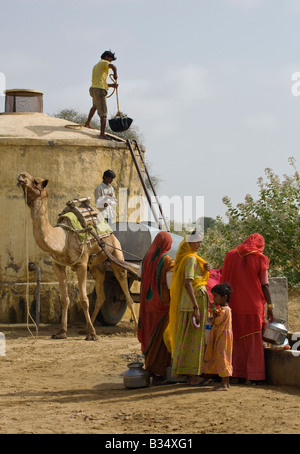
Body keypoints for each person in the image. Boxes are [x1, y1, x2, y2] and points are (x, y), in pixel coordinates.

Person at [220, 233, 274, 383]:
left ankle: (234, 373)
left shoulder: (230, 255)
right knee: (253, 339)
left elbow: (223, 280)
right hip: (253, 305)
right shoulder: (260, 259)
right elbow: (265, 285)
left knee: (233, 338)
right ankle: (252, 376)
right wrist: (270, 306)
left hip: (233, 305)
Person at [164, 231, 210, 386]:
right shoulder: (190, 259)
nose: (199, 245)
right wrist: (196, 306)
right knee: (194, 340)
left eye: (200, 242)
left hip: (189, 304)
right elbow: (188, 283)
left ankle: (187, 373)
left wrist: (206, 270)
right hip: (192, 304)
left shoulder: (190, 259)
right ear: (189, 243)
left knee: (188, 339)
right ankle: (193, 376)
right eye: (196, 242)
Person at [137, 231, 174, 385]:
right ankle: (161, 372)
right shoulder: (167, 261)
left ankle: (151, 368)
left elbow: (140, 276)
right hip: (163, 305)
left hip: (147, 303)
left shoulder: (146, 258)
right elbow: (171, 284)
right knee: (161, 339)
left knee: (150, 335)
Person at [202, 283, 233, 391]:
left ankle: (224, 384)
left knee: (223, 358)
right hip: (221, 336)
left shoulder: (225, 310)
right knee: (223, 358)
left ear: (224, 297)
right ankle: (226, 383)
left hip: (222, 337)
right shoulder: (223, 309)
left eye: (215, 296)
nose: (214, 298)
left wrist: (213, 310)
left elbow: (217, 321)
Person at [85, 50, 118, 139]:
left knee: (95, 106)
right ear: (107, 57)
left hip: (93, 89)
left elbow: (100, 82)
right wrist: (115, 74)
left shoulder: (96, 66)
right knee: (103, 113)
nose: (110, 62)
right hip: (99, 90)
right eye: (110, 59)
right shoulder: (105, 62)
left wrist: (112, 85)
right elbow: (113, 66)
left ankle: (87, 123)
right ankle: (102, 134)